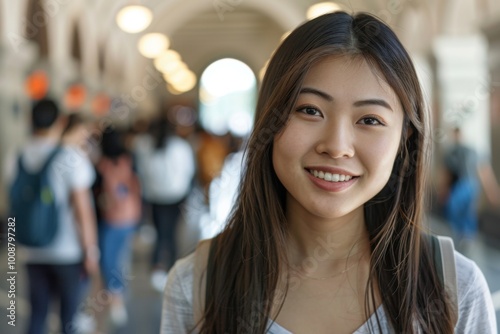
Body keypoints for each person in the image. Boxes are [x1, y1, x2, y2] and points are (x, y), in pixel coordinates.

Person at [161, 11, 496, 334]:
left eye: (369, 120)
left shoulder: (454, 288)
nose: (337, 146)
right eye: (310, 110)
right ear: (270, 120)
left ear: (404, 138)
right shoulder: (199, 284)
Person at [5, 99, 99, 334]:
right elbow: (83, 210)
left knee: (37, 313)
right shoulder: (70, 157)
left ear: (30, 120)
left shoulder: (14, 156)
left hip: (31, 248)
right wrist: (90, 249)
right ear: (61, 121)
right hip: (67, 250)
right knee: (68, 316)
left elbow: (12, 202)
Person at [136, 117, 196, 292]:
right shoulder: (180, 146)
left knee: (160, 230)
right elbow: (189, 171)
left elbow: (141, 171)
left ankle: (156, 264)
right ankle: (172, 264)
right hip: (177, 195)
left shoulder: (144, 145)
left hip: (154, 196)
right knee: (171, 230)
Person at [93, 128, 141, 326]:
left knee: (109, 260)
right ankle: (118, 293)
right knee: (122, 256)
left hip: (111, 219)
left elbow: (95, 195)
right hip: (131, 215)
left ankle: (116, 298)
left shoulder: (101, 165)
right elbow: (138, 185)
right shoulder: (130, 159)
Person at [442, 127, 500, 248]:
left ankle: (468, 238)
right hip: (459, 185)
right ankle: (458, 236)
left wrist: (491, 192)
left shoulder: (472, 151)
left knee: (468, 213)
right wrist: (444, 189)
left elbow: (483, 171)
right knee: (454, 209)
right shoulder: (452, 152)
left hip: (470, 184)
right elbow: (447, 173)